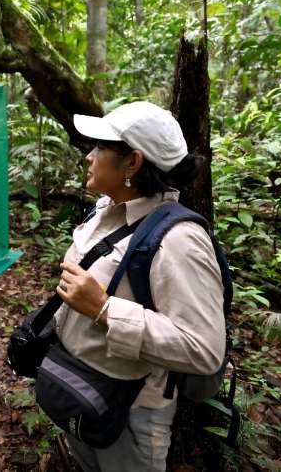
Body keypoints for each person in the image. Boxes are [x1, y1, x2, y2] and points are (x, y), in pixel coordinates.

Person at [52, 101, 226, 472]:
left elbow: (205, 349)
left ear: (132, 162)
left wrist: (105, 309)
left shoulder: (179, 241)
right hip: (81, 387)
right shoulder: (104, 209)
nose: (89, 157)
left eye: (99, 148)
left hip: (129, 413)